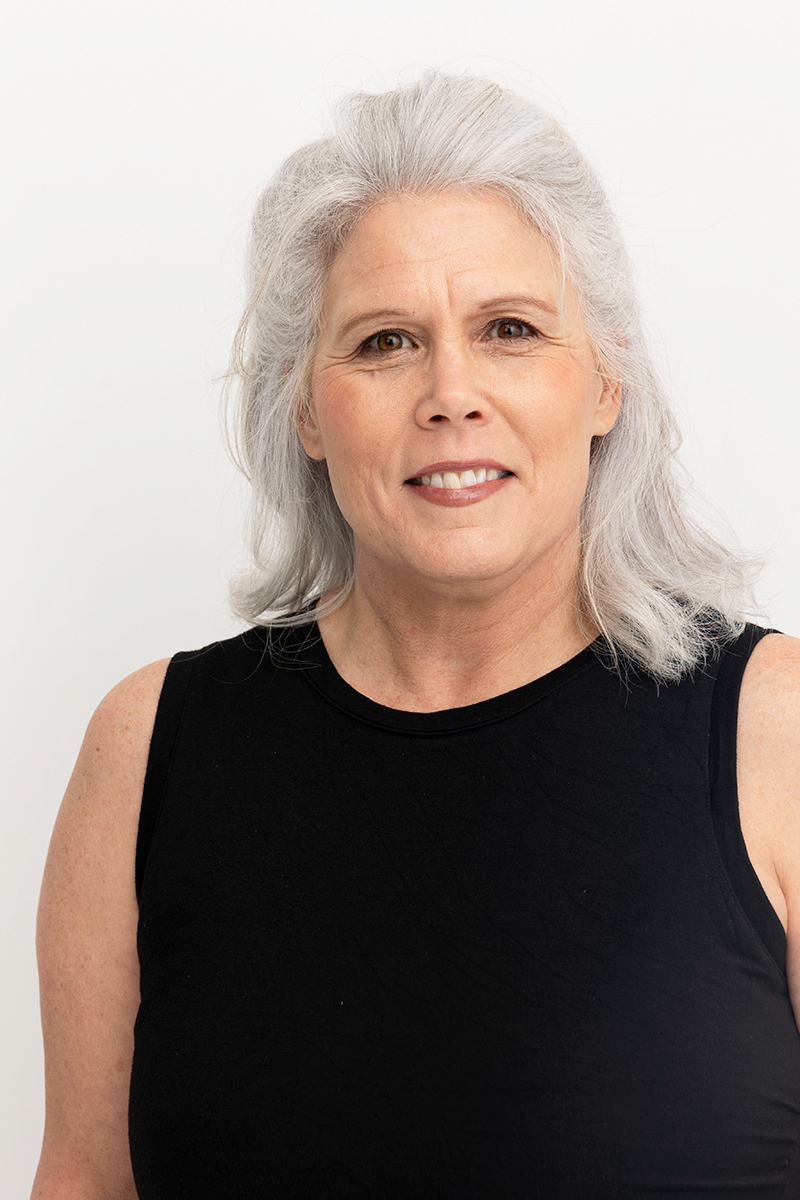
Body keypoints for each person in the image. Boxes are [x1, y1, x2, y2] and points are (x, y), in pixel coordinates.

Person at [32, 71, 800, 1199]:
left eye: (510, 330)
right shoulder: (146, 748)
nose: (451, 392)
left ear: (605, 382)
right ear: (305, 407)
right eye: (386, 341)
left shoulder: (776, 736)